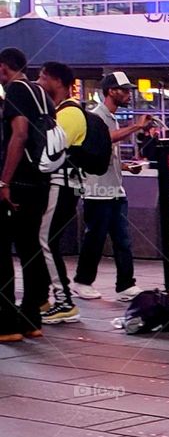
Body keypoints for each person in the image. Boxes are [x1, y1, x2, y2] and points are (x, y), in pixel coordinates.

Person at [73, 71, 143, 302]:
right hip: (97, 190)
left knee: (123, 240)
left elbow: (104, 155)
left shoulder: (111, 118)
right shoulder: (95, 118)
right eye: (125, 90)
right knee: (95, 238)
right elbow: (105, 140)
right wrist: (136, 127)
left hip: (114, 189)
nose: (128, 95)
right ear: (111, 91)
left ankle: (125, 285)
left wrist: (125, 167)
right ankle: (83, 281)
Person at [0, 48, 54, 341]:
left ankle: (6, 322)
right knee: (30, 247)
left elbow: (19, 134)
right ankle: (31, 317)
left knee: (2, 250)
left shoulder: (16, 91)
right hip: (41, 180)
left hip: (18, 182)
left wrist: (3, 182)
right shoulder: (40, 93)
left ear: (4, 67)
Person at [37, 61, 86, 325]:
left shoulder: (69, 113)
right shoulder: (60, 111)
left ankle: (65, 301)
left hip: (62, 185)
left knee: (45, 240)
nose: (39, 81)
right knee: (46, 241)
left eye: (43, 77)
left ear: (57, 81)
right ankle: (47, 297)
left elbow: (51, 151)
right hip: (60, 185)